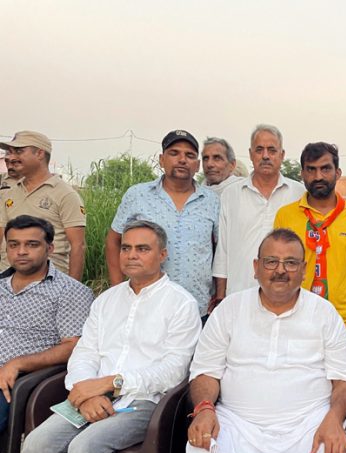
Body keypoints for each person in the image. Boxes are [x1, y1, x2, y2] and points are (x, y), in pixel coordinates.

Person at [177, 228, 346, 453]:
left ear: (303, 270)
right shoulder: (229, 310)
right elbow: (205, 373)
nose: (280, 271)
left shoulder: (325, 313)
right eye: (271, 262)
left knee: (337, 452)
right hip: (238, 424)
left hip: (307, 424)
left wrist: (334, 417)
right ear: (256, 268)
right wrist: (204, 409)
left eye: (290, 263)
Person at [23, 219, 201, 453]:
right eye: (126, 247)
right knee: (36, 448)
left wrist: (113, 383)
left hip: (144, 402)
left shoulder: (180, 304)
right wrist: (85, 392)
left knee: (85, 452)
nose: (131, 255)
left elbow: (174, 370)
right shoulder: (106, 300)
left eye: (142, 248)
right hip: (91, 395)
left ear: (162, 255)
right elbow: (85, 353)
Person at [274, 141, 346, 354]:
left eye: (325, 168)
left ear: (338, 172)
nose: (318, 176)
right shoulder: (285, 215)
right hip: (295, 320)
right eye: (311, 170)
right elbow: (278, 269)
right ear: (302, 173)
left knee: (345, 386)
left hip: (342, 323)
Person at [106, 130, 219, 317]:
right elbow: (113, 240)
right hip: (145, 306)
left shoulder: (212, 201)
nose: (182, 160)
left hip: (198, 308)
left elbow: (219, 249)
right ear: (161, 159)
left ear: (197, 165)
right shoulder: (138, 195)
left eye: (189, 155)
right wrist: (118, 289)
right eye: (174, 153)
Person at [0, 215, 93, 432]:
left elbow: (73, 346)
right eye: (14, 245)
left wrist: (17, 363)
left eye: (31, 244)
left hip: (21, 380)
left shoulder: (70, 291)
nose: (21, 251)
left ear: (50, 248)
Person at [212, 124, 304, 303]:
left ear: (282, 155)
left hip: (287, 298)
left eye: (272, 150)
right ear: (251, 154)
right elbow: (223, 251)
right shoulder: (231, 194)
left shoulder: (299, 194)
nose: (266, 156)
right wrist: (221, 297)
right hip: (239, 296)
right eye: (259, 149)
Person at [0, 131, 87, 280]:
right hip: (7, 281)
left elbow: (78, 246)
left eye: (19, 151)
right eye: (11, 152)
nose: (12, 157)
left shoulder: (65, 194)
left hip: (48, 282)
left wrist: (73, 290)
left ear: (40, 154)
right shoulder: (9, 194)